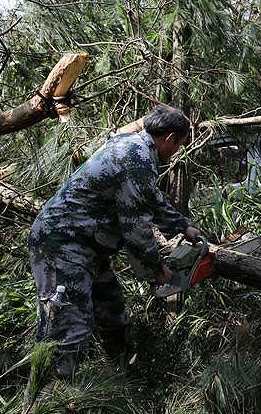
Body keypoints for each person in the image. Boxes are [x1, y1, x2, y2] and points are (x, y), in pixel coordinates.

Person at [29, 105, 201, 378]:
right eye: (178, 145)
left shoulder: (135, 148)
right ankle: (51, 401)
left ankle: (118, 381)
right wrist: (156, 271)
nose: (176, 151)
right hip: (62, 245)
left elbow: (149, 196)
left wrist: (182, 226)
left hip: (87, 250)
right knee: (68, 328)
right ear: (169, 139)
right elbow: (135, 227)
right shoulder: (137, 157)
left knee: (112, 314)